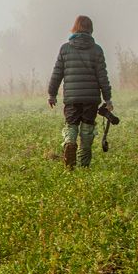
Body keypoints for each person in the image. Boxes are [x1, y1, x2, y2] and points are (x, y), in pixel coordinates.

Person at [47, 15, 113, 169]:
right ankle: (84, 165)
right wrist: (108, 98)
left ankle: (70, 143)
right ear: (91, 30)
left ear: (75, 28)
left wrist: (52, 94)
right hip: (91, 99)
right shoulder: (97, 50)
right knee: (87, 130)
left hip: (71, 98)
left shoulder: (65, 49)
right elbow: (102, 76)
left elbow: (57, 73)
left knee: (71, 125)